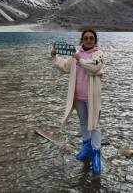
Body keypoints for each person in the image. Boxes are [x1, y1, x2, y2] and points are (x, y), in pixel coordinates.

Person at [50, 29, 104, 174]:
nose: (88, 40)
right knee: (83, 122)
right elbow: (66, 67)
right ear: (82, 40)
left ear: (95, 40)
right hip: (78, 96)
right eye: (85, 38)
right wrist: (55, 58)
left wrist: (79, 59)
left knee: (94, 125)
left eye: (91, 38)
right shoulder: (76, 53)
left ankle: (97, 154)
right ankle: (87, 148)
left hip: (92, 96)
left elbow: (94, 67)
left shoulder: (98, 54)